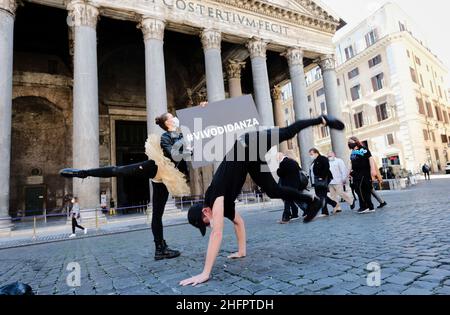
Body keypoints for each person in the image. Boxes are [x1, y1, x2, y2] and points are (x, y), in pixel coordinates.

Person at [180, 115, 345, 286]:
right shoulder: (222, 205)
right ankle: (312, 200)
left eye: (206, 223)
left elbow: (217, 233)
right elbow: (238, 223)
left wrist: (205, 273)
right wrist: (241, 251)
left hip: (249, 142)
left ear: (205, 211)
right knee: (273, 191)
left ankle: (322, 119)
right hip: (251, 160)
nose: (209, 225)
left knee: (287, 133)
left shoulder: (215, 197)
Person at [60, 125, 191, 260]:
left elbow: (189, 153)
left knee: (157, 215)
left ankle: (160, 249)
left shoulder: (181, 143)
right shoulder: (170, 141)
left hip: (165, 177)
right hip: (157, 168)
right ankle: (83, 173)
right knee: (119, 171)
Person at [348, 137, 377, 214]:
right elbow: (352, 163)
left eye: (351, 142)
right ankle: (368, 206)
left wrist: (373, 170)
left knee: (361, 189)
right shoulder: (352, 152)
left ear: (355, 141)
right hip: (356, 173)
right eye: (348, 142)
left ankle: (365, 206)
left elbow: (370, 159)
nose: (349, 143)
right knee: (360, 190)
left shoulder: (363, 149)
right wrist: (349, 173)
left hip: (364, 172)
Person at [309, 148, 337, 217]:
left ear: (316, 153)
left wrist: (322, 177)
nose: (310, 156)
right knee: (320, 195)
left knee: (322, 195)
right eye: (310, 154)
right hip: (316, 180)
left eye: (311, 154)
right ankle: (333, 204)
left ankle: (325, 212)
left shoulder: (322, 158)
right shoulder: (314, 161)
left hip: (322, 179)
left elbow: (326, 167)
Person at [276, 151, 302, 224]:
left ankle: (285, 218)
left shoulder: (283, 163)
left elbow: (280, 173)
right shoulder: (293, 162)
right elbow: (299, 170)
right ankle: (295, 214)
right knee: (291, 200)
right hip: (295, 184)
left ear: (280, 157)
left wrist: (278, 170)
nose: (276, 159)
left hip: (287, 185)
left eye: (277, 158)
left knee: (287, 201)